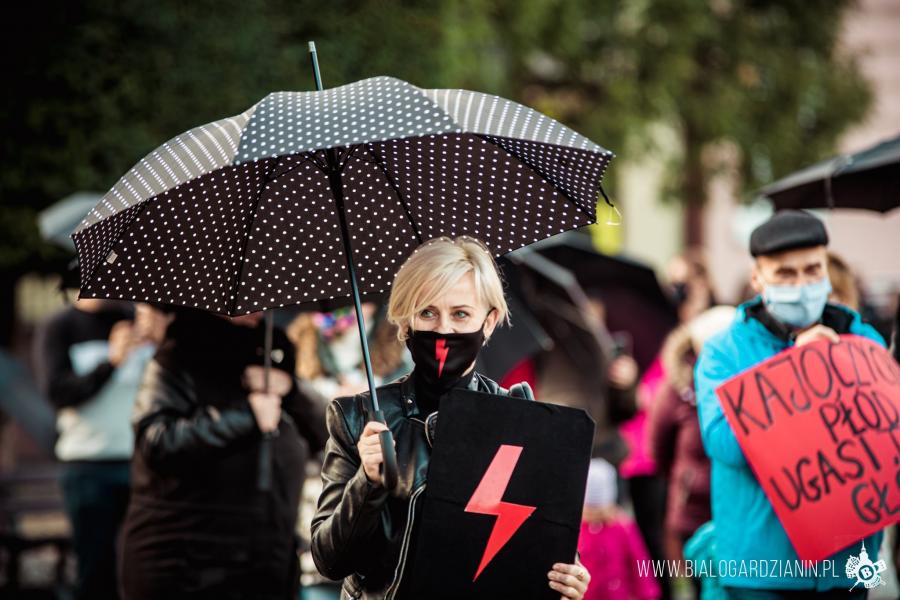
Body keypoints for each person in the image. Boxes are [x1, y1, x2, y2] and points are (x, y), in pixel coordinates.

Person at [310, 236, 591, 599]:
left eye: (461, 314)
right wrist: (368, 483)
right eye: (428, 312)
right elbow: (329, 560)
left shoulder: (520, 417)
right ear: (405, 321)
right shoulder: (356, 418)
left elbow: (543, 552)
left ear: (488, 322)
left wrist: (569, 579)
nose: (444, 330)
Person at [695, 210, 886, 598]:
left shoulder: (864, 340)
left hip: (848, 567)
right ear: (757, 279)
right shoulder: (723, 351)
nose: (802, 285)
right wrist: (797, 371)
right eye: (785, 274)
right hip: (763, 572)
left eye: (812, 270)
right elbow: (724, 444)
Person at [118, 307, 327, 600]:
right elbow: (156, 442)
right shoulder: (178, 356)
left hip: (267, 553)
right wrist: (247, 417)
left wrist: (292, 389)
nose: (258, 307)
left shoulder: (273, 351)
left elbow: (325, 432)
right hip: (189, 561)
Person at [32, 296, 160, 600]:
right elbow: (60, 393)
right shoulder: (59, 326)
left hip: (140, 462)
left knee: (143, 567)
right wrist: (112, 362)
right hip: (88, 464)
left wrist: (156, 343)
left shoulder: (138, 320)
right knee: (96, 568)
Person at [648, 305, 735, 597]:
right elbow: (658, 449)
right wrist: (686, 478)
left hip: (740, 510)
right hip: (694, 514)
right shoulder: (677, 388)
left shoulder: (748, 381)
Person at [578, 458, 660, 600]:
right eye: (590, 510)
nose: (595, 514)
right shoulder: (577, 532)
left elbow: (639, 560)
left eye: (600, 509)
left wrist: (647, 592)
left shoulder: (622, 527)